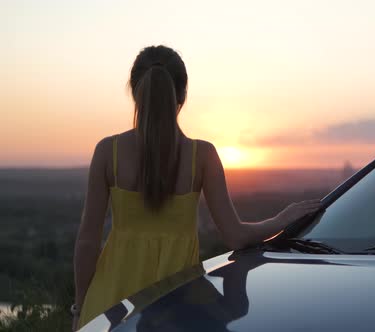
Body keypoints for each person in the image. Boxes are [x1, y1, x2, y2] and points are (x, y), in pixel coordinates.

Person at [72, 45, 322, 330]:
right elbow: (236, 237)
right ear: (182, 95)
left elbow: (87, 242)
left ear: (134, 90)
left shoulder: (108, 152)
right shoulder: (202, 157)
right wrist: (281, 219)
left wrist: (81, 310)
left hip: (110, 308)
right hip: (179, 308)